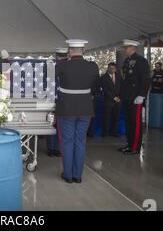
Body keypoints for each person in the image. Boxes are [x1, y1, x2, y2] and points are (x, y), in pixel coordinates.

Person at [55, 39, 99, 183]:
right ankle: (78, 176)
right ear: (83, 50)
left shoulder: (62, 65)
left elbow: (50, 79)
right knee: (80, 141)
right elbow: (96, 88)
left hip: (66, 108)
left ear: (70, 50)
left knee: (67, 142)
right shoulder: (93, 66)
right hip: (85, 108)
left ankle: (68, 175)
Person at [119, 39, 151, 155]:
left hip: (136, 97)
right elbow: (125, 80)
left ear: (133, 48)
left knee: (136, 123)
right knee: (128, 122)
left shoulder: (140, 61)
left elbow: (145, 79)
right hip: (128, 96)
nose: (124, 50)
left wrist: (142, 95)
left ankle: (135, 147)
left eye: (126, 47)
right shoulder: (127, 61)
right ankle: (129, 144)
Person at [47, 47, 68, 157]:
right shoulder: (70, 67)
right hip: (65, 100)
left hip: (52, 99)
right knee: (63, 126)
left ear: (56, 56)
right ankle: (59, 148)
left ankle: (51, 149)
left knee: (51, 123)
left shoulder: (52, 67)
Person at [100, 62, 122, 137]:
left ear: (115, 69)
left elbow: (122, 87)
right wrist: (114, 98)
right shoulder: (103, 77)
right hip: (108, 100)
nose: (111, 69)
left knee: (116, 117)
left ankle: (114, 132)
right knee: (106, 117)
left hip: (118, 100)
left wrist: (119, 97)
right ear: (108, 68)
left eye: (113, 68)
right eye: (109, 68)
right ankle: (105, 133)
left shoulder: (119, 76)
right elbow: (105, 90)